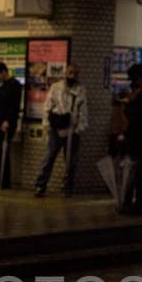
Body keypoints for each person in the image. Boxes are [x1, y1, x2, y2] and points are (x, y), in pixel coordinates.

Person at [34, 63, 86, 196]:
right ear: (65, 73)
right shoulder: (56, 87)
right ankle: (40, 186)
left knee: (71, 161)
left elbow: (83, 111)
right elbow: (47, 107)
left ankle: (67, 188)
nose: (72, 75)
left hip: (72, 130)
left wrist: (78, 129)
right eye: (70, 72)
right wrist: (46, 126)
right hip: (55, 129)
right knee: (49, 158)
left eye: (75, 73)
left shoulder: (80, 89)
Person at [116, 63, 142, 215]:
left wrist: (129, 104)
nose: (132, 83)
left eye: (133, 79)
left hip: (140, 140)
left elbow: (139, 117)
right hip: (138, 139)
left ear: (139, 78)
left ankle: (138, 205)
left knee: (138, 174)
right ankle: (131, 203)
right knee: (134, 172)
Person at [0, 61, 23, 187]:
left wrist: (7, 121)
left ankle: (3, 181)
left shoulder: (15, 85)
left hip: (8, 123)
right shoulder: (2, 86)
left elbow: (14, 106)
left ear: (3, 72)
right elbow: (2, 105)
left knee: (3, 151)